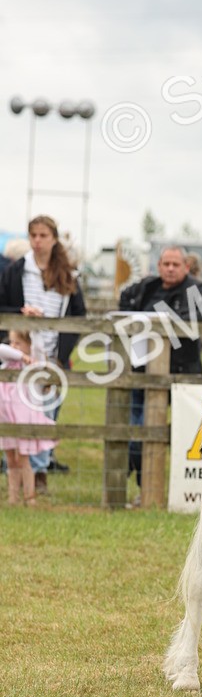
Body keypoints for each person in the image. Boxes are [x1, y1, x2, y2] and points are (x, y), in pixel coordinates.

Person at [118, 245, 202, 489]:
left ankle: (191, 490)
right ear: (159, 266)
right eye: (166, 264)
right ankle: (144, 487)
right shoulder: (148, 286)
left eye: (176, 264)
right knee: (138, 431)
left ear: (186, 267)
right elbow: (124, 300)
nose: (170, 269)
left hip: (183, 372)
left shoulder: (195, 288)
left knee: (187, 432)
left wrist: (173, 319)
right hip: (145, 371)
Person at [0, 215, 86, 492]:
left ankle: (38, 474)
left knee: (46, 416)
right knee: (21, 416)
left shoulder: (68, 275)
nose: (37, 241)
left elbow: (78, 316)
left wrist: (63, 353)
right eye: (33, 235)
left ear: (53, 239)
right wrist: (21, 314)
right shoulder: (16, 271)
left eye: (43, 235)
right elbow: (3, 308)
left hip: (51, 355)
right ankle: (25, 478)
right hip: (22, 354)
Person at [0, 331, 58, 506]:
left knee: (23, 459)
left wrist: (35, 332)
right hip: (5, 419)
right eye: (12, 343)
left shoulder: (32, 368)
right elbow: (1, 349)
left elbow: (39, 349)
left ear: (29, 345)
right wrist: (20, 355)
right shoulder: (7, 364)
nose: (13, 346)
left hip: (23, 419)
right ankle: (12, 498)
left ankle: (29, 496)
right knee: (10, 459)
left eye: (18, 343)